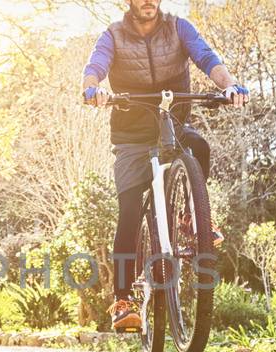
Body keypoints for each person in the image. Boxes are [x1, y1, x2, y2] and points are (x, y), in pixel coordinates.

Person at [80, 0, 249, 331]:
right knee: (129, 211)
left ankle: (191, 219)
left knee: (198, 146)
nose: (148, 1)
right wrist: (93, 88)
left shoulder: (179, 28)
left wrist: (227, 85)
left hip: (172, 127)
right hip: (131, 136)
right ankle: (123, 299)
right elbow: (95, 66)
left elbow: (206, 58)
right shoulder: (113, 35)